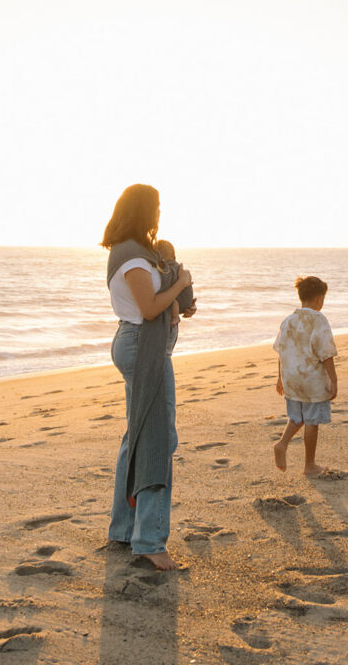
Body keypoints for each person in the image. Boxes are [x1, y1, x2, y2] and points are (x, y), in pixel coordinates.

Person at [102, 184, 196, 570]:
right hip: (143, 349)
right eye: (155, 207)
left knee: (137, 435)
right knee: (158, 437)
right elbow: (149, 307)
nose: (159, 213)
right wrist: (181, 282)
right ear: (145, 211)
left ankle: (124, 531)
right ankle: (149, 542)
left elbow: (158, 305)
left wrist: (176, 300)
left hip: (141, 345)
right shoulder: (132, 257)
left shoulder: (136, 252)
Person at [273, 276, 338, 477]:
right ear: (319, 299)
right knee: (311, 421)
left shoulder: (289, 320)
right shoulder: (319, 319)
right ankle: (309, 465)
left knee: (296, 417)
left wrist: (279, 377)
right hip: (312, 380)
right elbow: (325, 352)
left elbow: (282, 350)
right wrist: (333, 380)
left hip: (291, 377)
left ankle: (282, 444)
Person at [155, 239, 195, 317]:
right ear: (174, 256)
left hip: (173, 307)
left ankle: (175, 317)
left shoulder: (165, 271)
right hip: (186, 303)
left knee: (174, 303)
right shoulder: (181, 271)